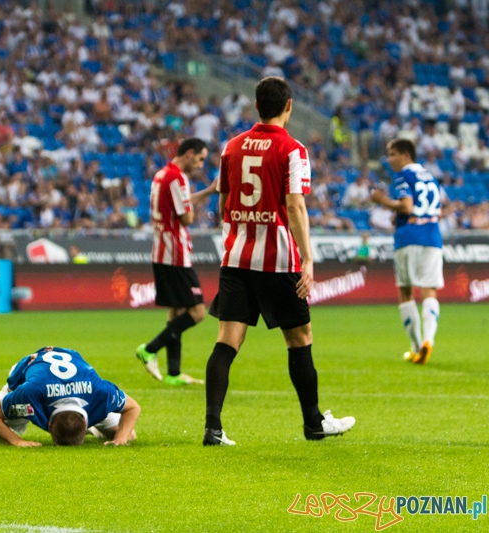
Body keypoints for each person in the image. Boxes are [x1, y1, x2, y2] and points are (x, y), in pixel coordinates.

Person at [204, 77, 356, 446]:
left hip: (237, 257)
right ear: (288, 107)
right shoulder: (293, 149)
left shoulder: (232, 146)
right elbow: (294, 204)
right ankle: (313, 424)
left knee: (227, 342)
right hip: (278, 261)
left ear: (256, 106)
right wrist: (308, 259)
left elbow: (224, 204)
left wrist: (241, 229)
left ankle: (213, 428)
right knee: (299, 339)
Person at [135, 138, 218, 386]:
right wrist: (200, 203)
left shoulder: (162, 175)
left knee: (176, 311)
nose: (201, 165)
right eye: (201, 158)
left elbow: (177, 202)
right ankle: (150, 348)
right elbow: (186, 217)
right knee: (197, 312)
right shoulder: (178, 177)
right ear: (190, 153)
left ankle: (173, 373)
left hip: (161, 252)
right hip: (176, 254)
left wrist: (208, 192)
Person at [0, 346, 140, 447]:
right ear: (47, 423)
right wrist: (17, 441)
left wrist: (120, 439)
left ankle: (94, 429)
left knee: (129, 434)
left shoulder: (99, 391)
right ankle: (89, 430)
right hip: (28, 375)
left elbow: (133, 408)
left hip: (73, 378)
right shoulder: (28, 394)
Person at [371, 139, 443, 364]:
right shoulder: (430, 176)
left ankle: (415, 346)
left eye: (392, 154)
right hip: (432, 236)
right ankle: (428, 341)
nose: (389, 159)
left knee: (405, 291)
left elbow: (407, 206)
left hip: (409, 236)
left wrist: (383, 200)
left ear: (405, 155)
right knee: (429, 291)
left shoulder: (403, 176)